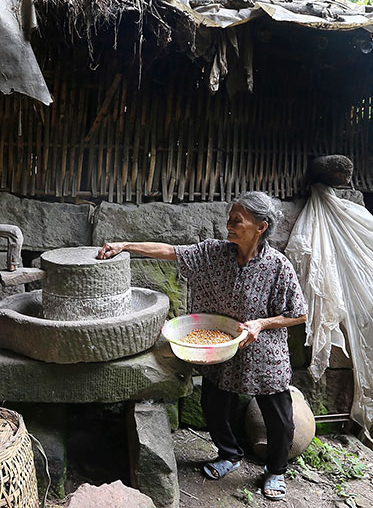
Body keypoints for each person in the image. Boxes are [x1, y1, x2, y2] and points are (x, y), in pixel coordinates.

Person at [98, 191, 307, 501]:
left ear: (260, 227)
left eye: (238, 220)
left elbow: (298, 313)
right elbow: (170, 251)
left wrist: (260, 324)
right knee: (214, 403)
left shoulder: (278, 266)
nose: (230, 225)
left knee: (278, 416)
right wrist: (125, 245)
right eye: (230, 218)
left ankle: (275, 470)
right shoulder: (213, 254)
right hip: (219, 347)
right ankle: (229, 454)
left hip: (263, 353)